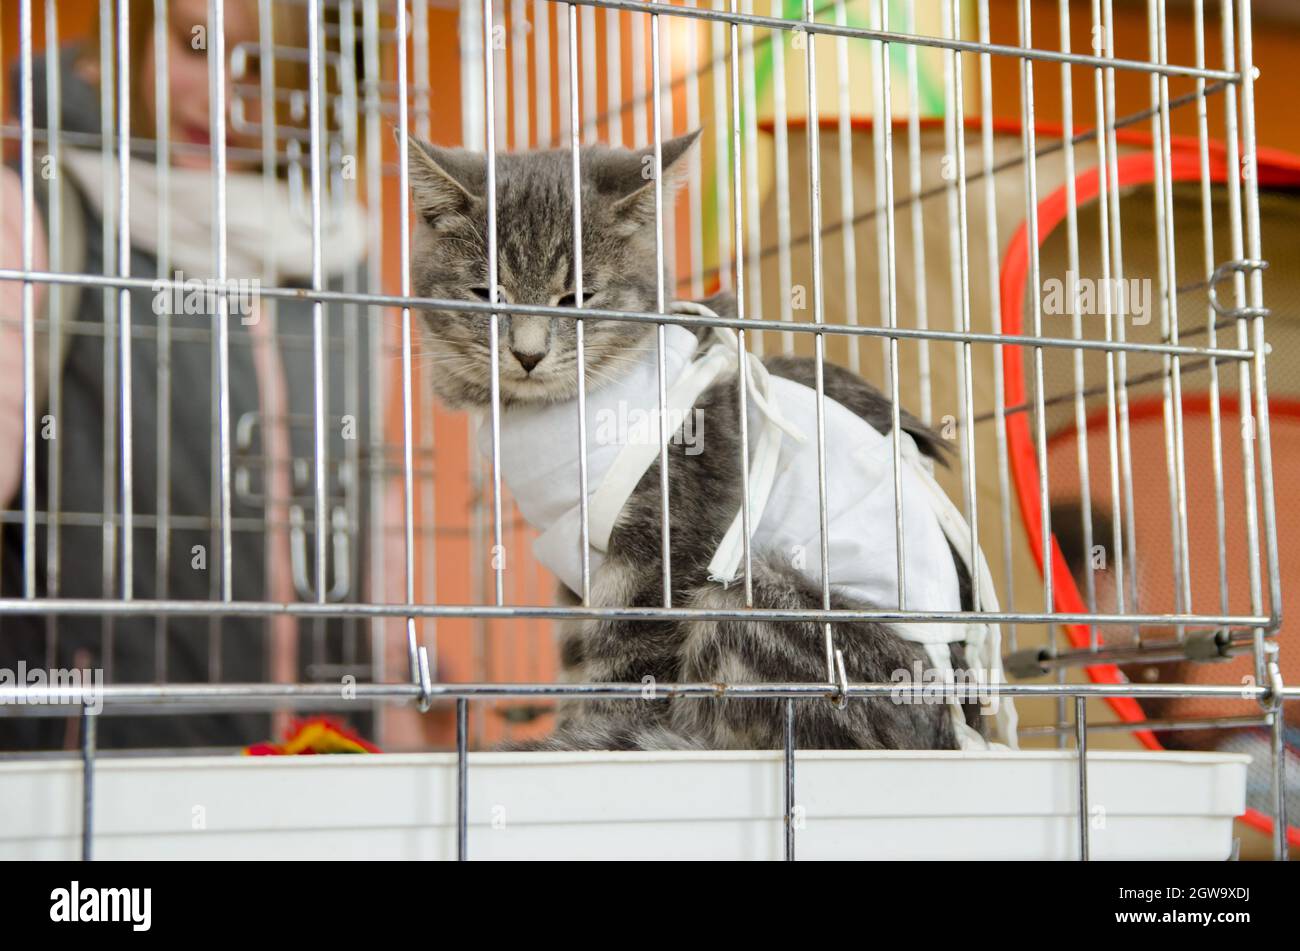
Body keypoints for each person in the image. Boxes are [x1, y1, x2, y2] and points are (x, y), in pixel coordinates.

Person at [0, 0, 372, 750]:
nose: (222, 97)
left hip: (324, 775)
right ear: (135, 28)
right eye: (194, 45)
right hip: (99, 787)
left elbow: (380, 527)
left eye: (264, 68)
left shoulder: (345, 252)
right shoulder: (33, 206)